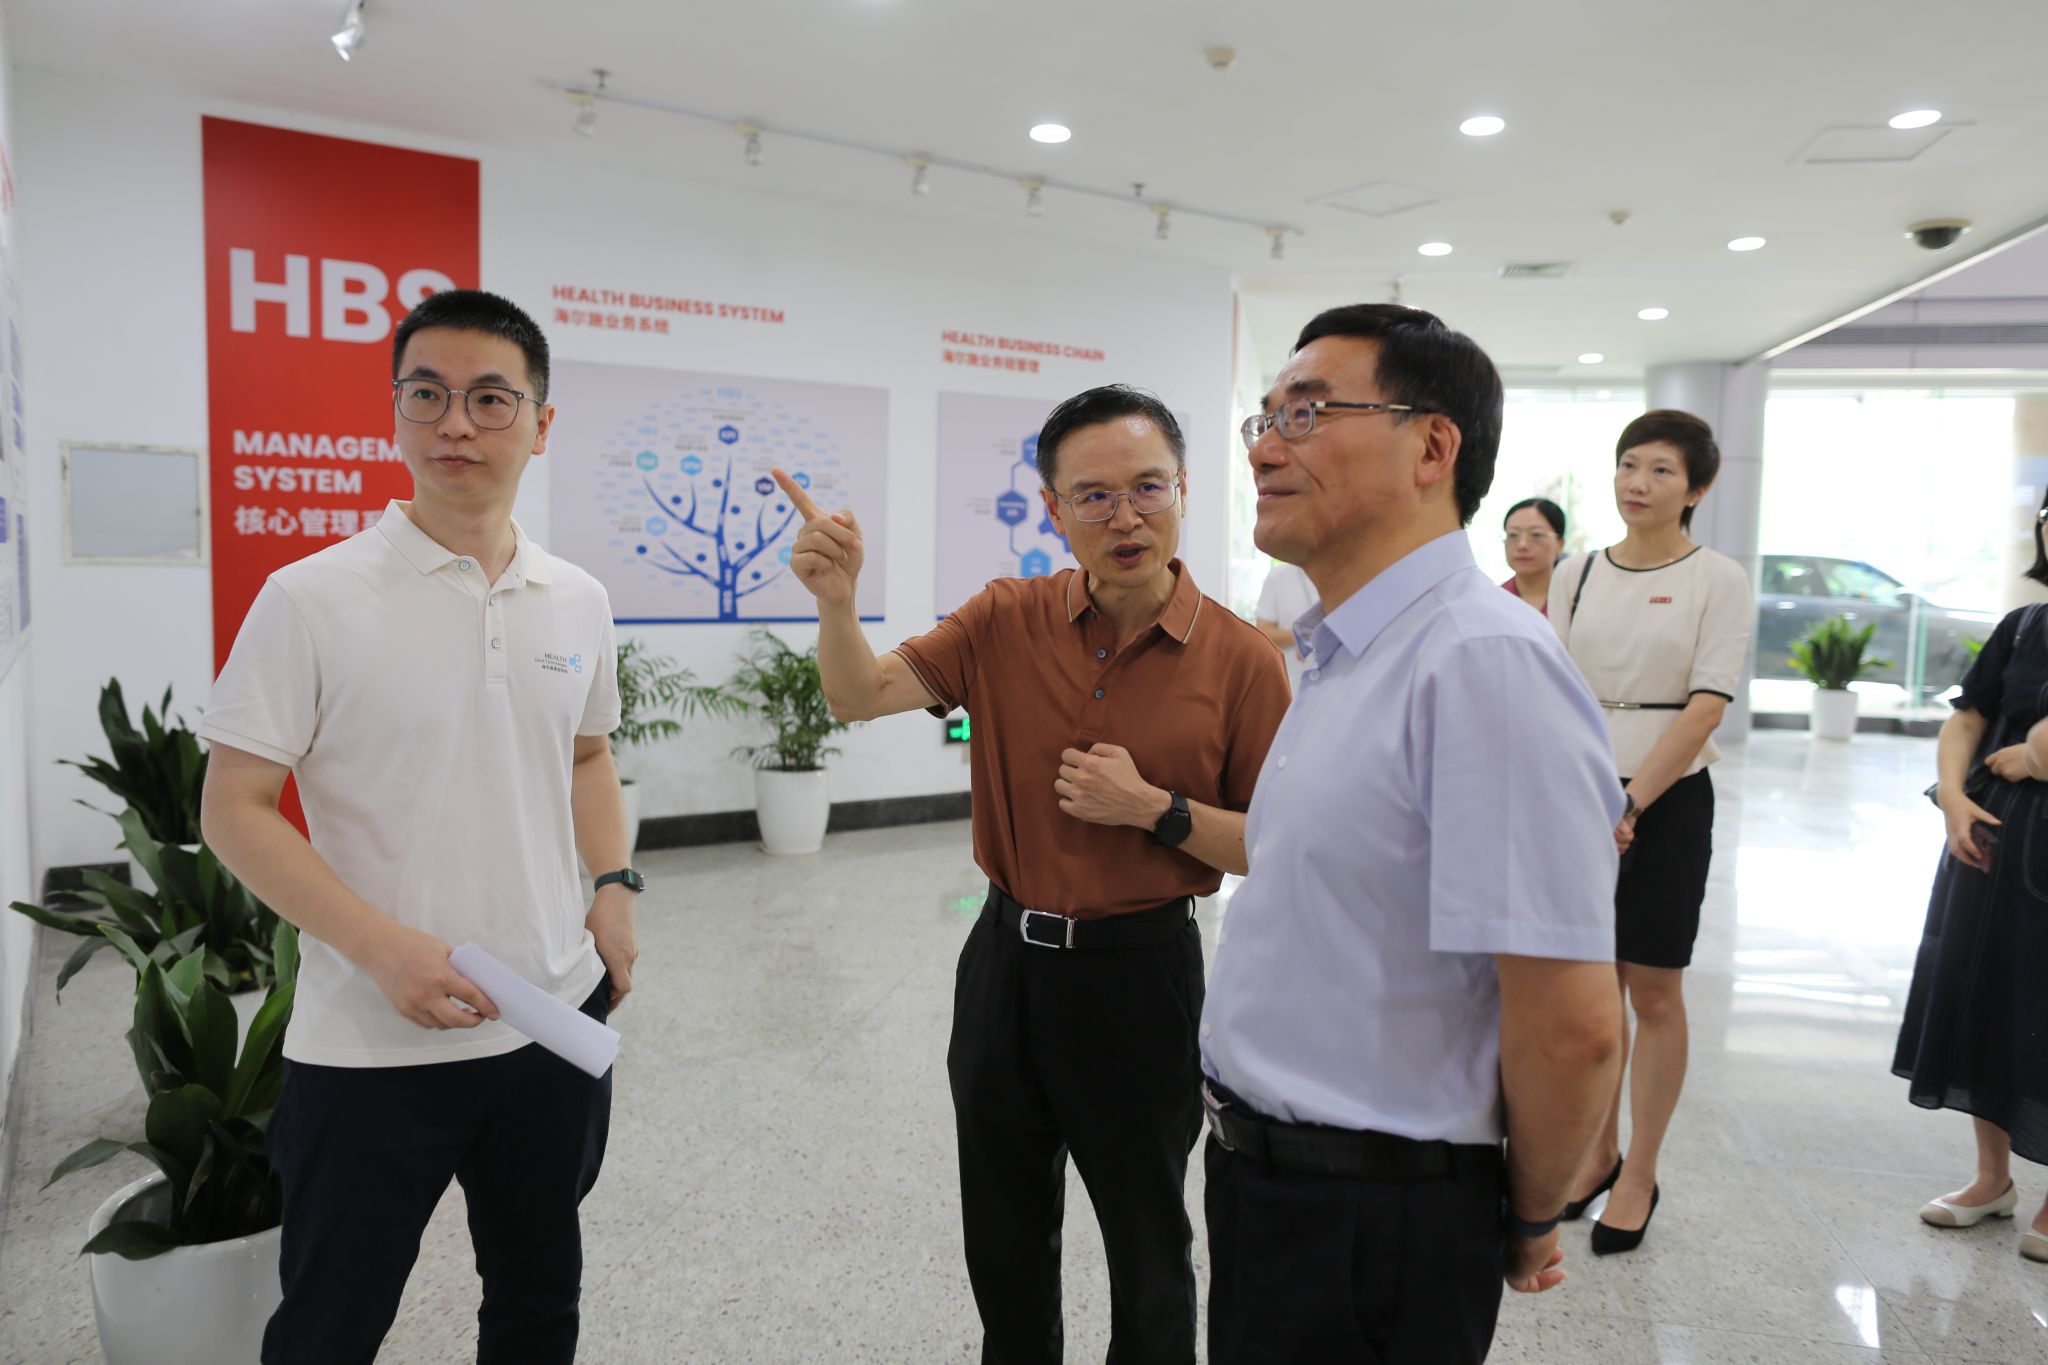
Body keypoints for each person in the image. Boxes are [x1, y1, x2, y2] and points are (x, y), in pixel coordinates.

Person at [774, 384, 1290, 1365]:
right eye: (1093, 496)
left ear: (1184, 489)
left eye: (1148, 487)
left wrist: (1158, 809)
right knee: (1003, 1237)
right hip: (1003, 964)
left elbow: (1275, 846)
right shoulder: (1003, 618)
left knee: (1147, 1242)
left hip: (1140, 975)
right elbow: (857, 694)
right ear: (1052, 509)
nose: (1125, 517)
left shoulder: (1241, 661)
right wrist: (836, 602)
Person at [199, 289, 638, 1364]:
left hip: (549, 1018)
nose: (456, 424)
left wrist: (614, 883)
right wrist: (382, 947)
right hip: (370, 1040)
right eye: (427, 395)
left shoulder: (577, 598)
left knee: (537, 1302)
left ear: (540, 424)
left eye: (491, 399)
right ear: (395, 412)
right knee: (331, 1325)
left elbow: (586, 757)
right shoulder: (310, 598)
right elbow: (234, 808)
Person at [1200, 303, 1625, 1365]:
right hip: (1274, 1187)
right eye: (1264, 418)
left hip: (1372, 1218)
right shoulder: (1347, 653)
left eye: (1306, 414)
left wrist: (1527, 1213)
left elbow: (1570, 1021)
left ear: (1433, 447)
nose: (1264, 447)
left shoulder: (1478, 659)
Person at [1548, 409, 1751, 1256]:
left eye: (1662, 469)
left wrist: (1630, 803)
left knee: (1654, 990)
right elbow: (1553, 687)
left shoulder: (1718, 577)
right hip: (1581, 796)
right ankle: (1597, 1152)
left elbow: (1706, 706)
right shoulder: (1577, 571)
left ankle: (1641, 1171)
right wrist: (1589, 796)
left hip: (1666, 800)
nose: (1639, 482)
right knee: (1592, 988)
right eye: (1629, 464)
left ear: (1697, 486)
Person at [1895, 496, 2048, 1265]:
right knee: (1983, 993)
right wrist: (1954, 795)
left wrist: (2036, 756)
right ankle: (1993, 1177)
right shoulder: (2024, 625)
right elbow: (1968, 716)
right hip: (1990, 842)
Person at [1252, 559, 1316, 689]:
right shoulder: (1277, 576)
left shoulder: (1344, 572)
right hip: (1291, 681)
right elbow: (1263, 632)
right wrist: (1301, 635)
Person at [1502, 496, 1567, 614]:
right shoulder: (1494, 599)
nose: (1522, 545)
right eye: (1513, 535)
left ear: (1560, 544)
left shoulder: (1574, 599)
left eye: (1536, 534)